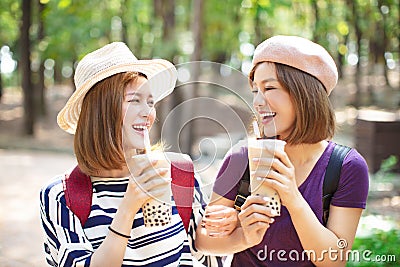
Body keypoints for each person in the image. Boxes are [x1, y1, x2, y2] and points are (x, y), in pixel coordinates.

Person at [40, 42, 220, 266]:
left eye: (150, 102)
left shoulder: (178, 174)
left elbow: (205, 256)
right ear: (101, 111)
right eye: (135, 100)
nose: (148, 113)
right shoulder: (62, 196)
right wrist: (129, 204)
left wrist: (239, 233)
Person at [195, 35, 369, 266]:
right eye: (255, 90)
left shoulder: (346, 167)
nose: (257, 101)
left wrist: (292, 197)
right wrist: (243, 235)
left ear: (304, 93)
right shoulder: (242, 158)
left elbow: (334, 260)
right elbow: (203, 240)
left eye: (269, 87)